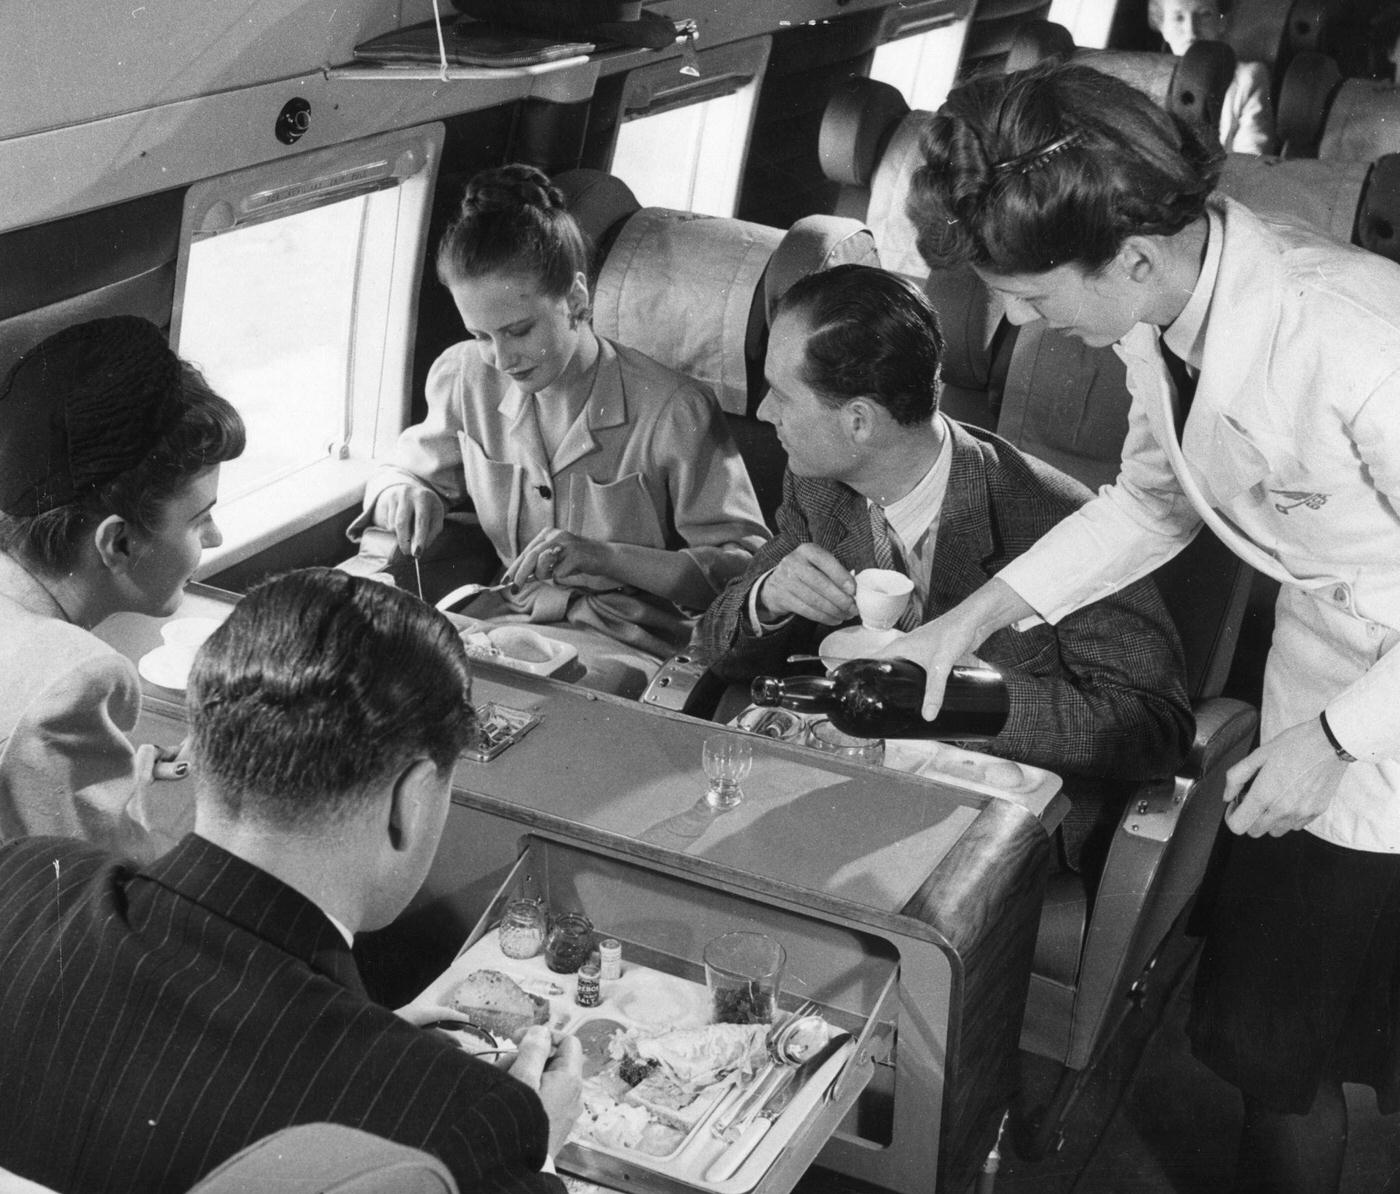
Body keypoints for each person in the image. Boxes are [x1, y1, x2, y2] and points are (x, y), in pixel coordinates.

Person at [902, 61, 1400, 1194]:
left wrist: (1336, 743)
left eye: (1030, 298)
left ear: (1127, 255)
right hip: (1324, 676)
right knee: (1267, 1036)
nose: (1023, 324)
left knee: (1290, 1043)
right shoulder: (1161, 309)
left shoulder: (1355, 342)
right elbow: (1151, 500)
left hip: (1377, 719)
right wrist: (967, 622)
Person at [0, 567, 581, 1194]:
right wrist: (533, 1148)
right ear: (408, 801)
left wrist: (369, 1035)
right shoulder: (460, 1129)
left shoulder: (27, 876)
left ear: (201, 746)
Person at [698, 264, 1192, 869]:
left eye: (783, 393)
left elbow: (1156, 727)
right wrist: (767, 598)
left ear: (859, 421)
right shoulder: (822, 492)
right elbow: (716, 647)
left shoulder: (1058, 522)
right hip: (849, 793)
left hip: (993, 824)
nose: (766, 411)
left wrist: (964, 697)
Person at [352, 163, 768, 695]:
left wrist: (602, 555)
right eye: (480, 334)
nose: (501, 358)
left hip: (629, 642)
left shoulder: (674, 410)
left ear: (575, 300)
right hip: (505, 623)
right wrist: (404, 493)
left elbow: (743, 572)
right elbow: (398, 472)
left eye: (518, 331)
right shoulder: (464, 376)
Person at [0, 315, 245, 863]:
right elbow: (114, 905)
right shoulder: (75, 677)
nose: (215, 535)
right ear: (119, 544)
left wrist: (121, 772)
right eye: (199, 519)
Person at [1149, 0, 1275, 154]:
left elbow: (1249, 163)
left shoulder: (1248, 78)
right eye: (1178, 17)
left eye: (1204, 15)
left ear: (1222, 22)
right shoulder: (1144, 76)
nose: (1191, 31)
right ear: (1162, 27)